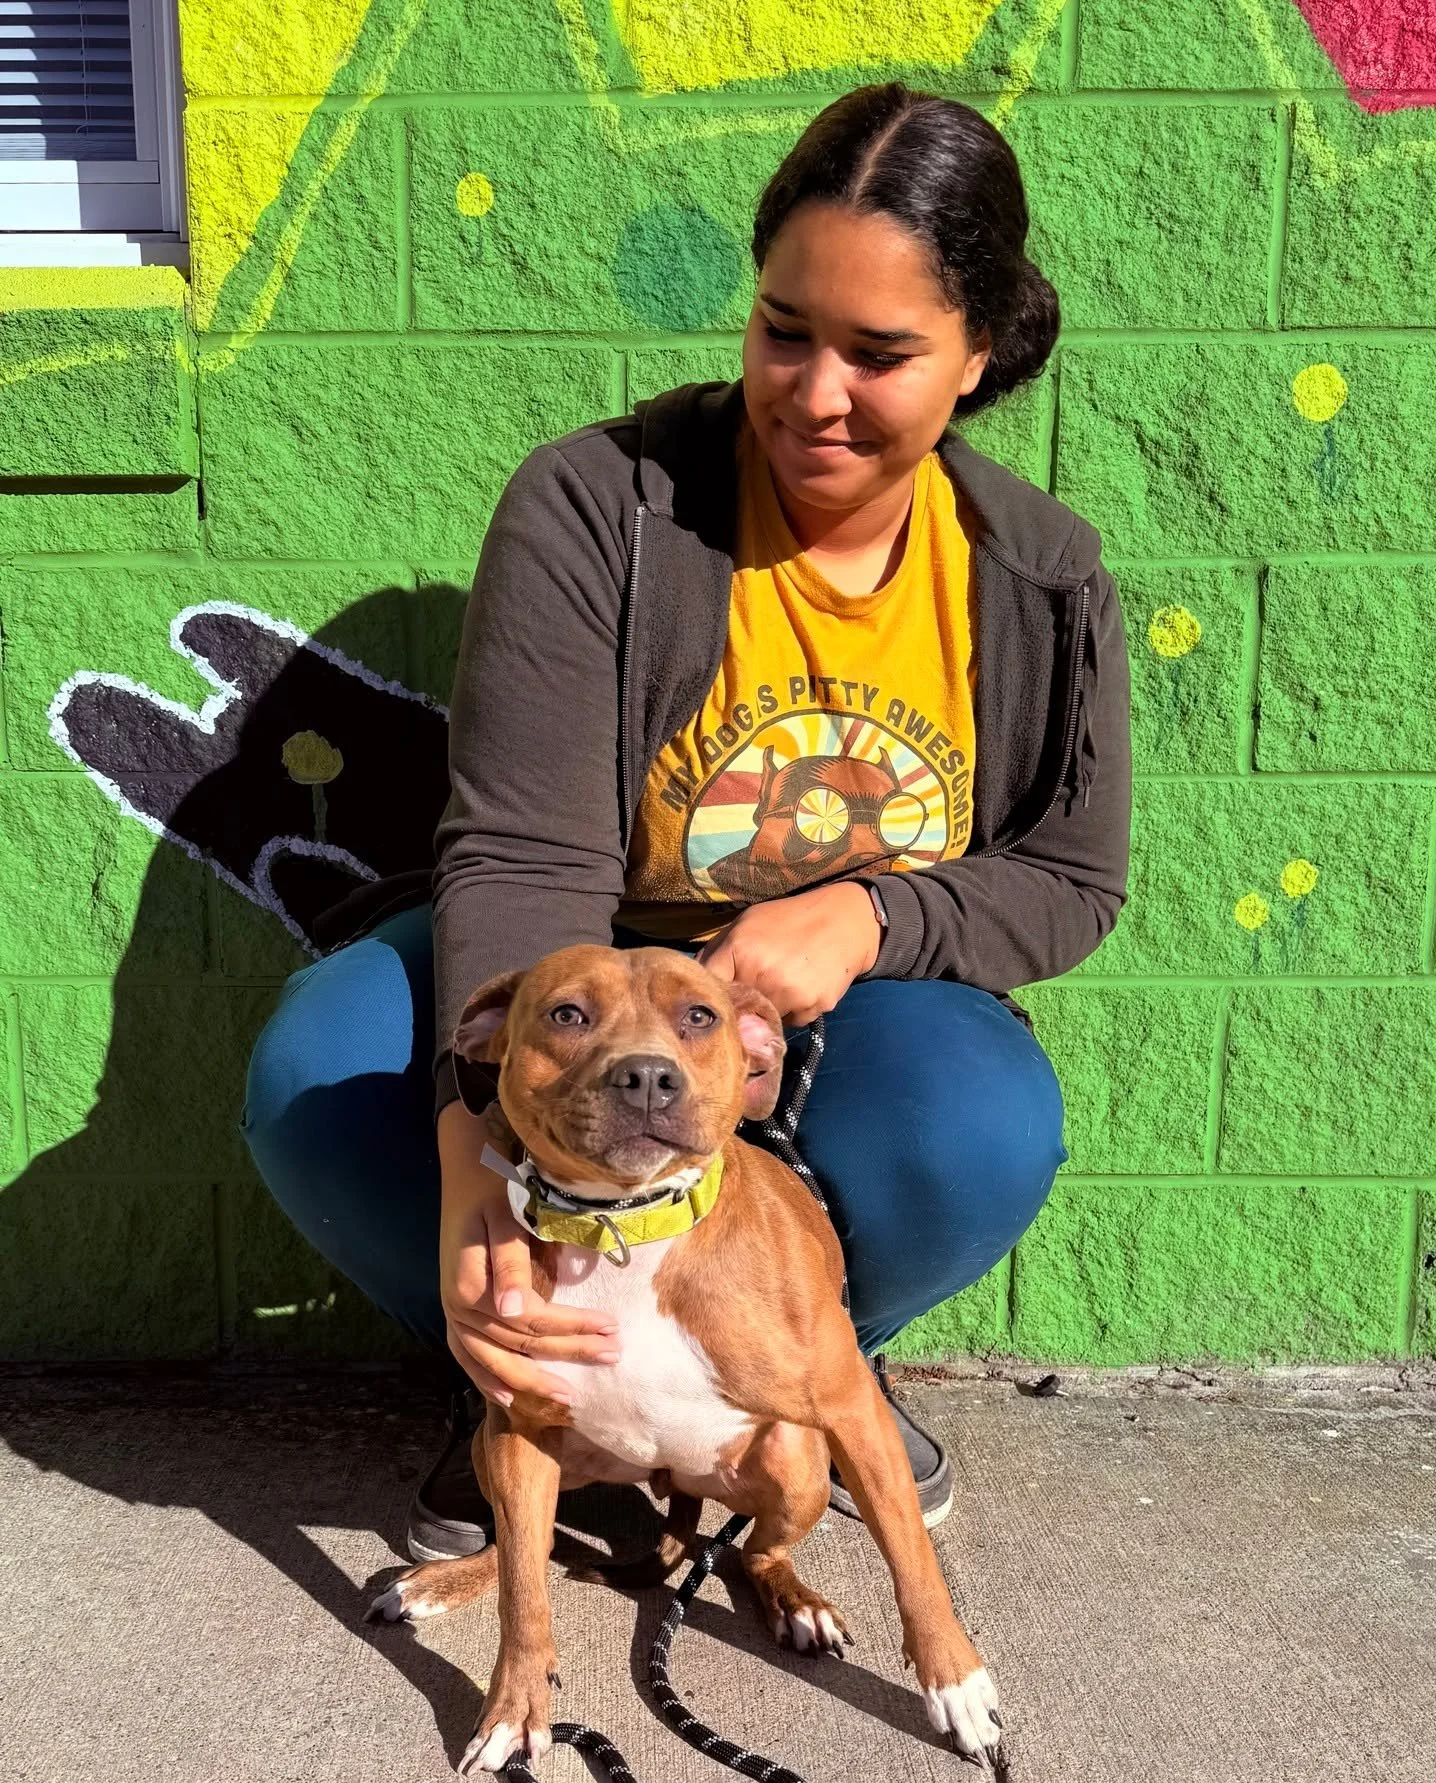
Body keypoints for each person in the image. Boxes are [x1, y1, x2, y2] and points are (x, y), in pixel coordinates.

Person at [242, 81, 1132, 1560]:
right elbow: (524, 851)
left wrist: (876, 914)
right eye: (785, 328)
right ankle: (536, 1384)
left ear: (977, 357)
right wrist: (475, 1156)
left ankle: (798, 1373)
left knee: (977, 1125)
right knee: (317, 1075)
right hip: (588, 963)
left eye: (882, 353)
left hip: (845, 1004)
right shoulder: (602, 507)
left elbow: (1071, 878)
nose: (816, 391)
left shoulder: (1037, 576)